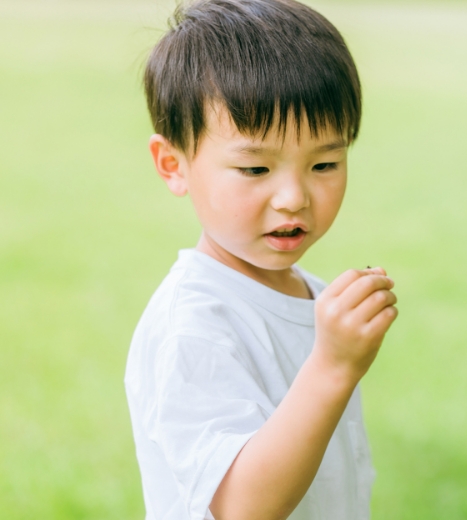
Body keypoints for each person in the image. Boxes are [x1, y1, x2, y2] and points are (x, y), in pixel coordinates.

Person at [123, 1, 399, 519]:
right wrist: (333, 366)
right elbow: (244, 508)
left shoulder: (306, 292)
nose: (293, 196)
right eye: (254, 168)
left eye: (324, 162)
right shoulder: (195, 326)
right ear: (173, 164)